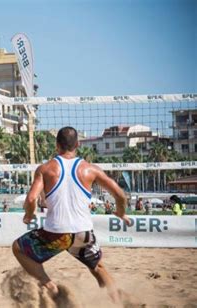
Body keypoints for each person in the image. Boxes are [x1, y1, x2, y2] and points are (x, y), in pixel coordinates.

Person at [12, 126, 131, 303]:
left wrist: (29, 216)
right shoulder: (90, 169)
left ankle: (49, 285)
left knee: (18, 248)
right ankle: (121, 303)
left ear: (56, 145)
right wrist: (120, 213)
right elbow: (120, 195)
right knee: (98, 267)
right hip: (83, 233)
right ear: (77, 144)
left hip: (56, 234)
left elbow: (31, 199)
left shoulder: (45, 169)